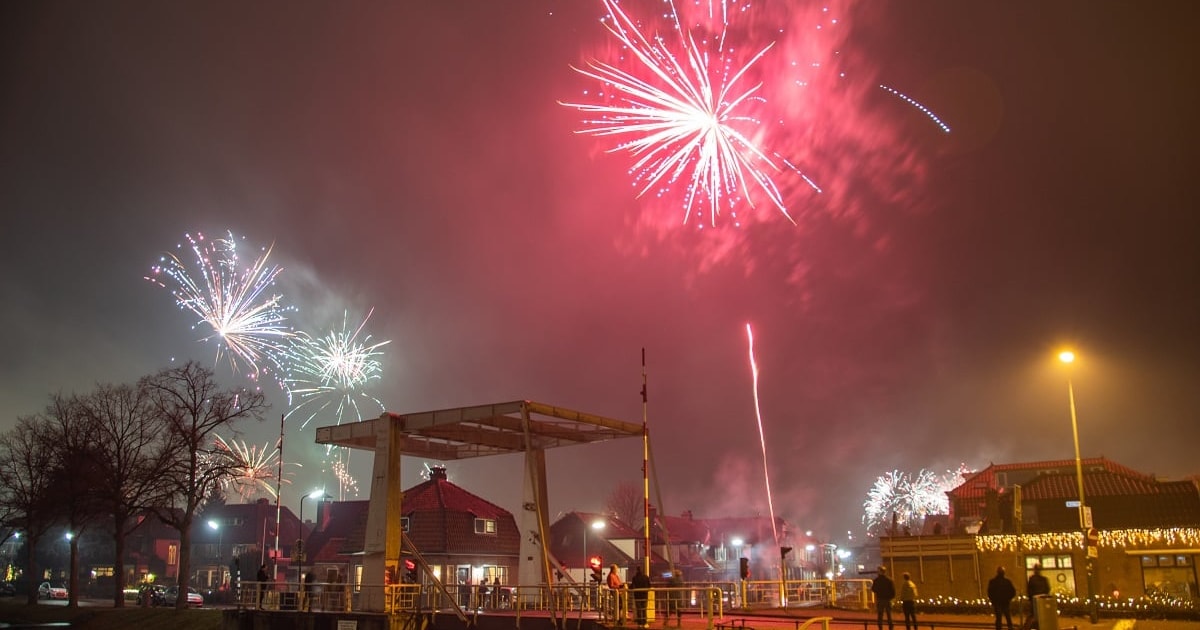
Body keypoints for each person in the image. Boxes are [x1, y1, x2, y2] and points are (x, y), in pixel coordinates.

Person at [1026, 564, 1051, 628]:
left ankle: (1032, 627)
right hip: (1042, 601)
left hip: (1034, 601)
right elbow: (1047, 589)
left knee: (1033, 615)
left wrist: (1031, 598)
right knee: (1041, 615)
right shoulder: (1044, 579)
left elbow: (1029, 590)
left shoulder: (1032, 579)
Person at [871, 566, 895, 630]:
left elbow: (873, 589)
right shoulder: (889, 580)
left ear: (880, 571)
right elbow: (893, 591)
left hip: (880, 599)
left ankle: (880, 628)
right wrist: (890, 597)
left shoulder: (876, 580)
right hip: (887, 599)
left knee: (880, 615)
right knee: (889, 614)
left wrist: (878, 592)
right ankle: (891, 627)